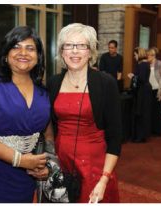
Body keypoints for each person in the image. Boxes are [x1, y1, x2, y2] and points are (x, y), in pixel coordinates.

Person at [0, 26, 52, 203]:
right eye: (16, 46)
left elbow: (48, 135)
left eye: (30, 48)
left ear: (38, 57)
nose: (23, 53)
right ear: (6, 53)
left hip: (26, 175)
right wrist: (20, 160)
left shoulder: (43, 91)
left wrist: (48, 165)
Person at [47, 23, 122, 203]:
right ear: (61, 51)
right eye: (68, 45)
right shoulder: (53, 83)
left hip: (94, 167)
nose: (74, 51)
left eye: (81, 46)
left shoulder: (105, 83)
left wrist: (104, 179)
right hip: (61, 162)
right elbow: (50, 127)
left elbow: (115, 136)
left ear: (90, 52)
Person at [128, 47, 152, 143]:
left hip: (143, 91)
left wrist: (133, 76)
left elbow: (141, 79)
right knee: (142, 112)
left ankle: (140, 136)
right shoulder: (145, 64)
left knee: (141, 112)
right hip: (144, 90)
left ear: (139, 54)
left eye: (135, 55)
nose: (134, 57)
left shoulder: (142, 65)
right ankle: (141, 135)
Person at [147, 47, 161, 136]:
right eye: (147, 55)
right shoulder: (147, 64)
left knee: (158, 111)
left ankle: (158, 130)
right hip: (149, 90)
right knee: (150, 110)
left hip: (158, 90)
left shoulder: (160, 64)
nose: (147, 56)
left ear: (153, 55)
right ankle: (151, 129)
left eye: (149, 55)